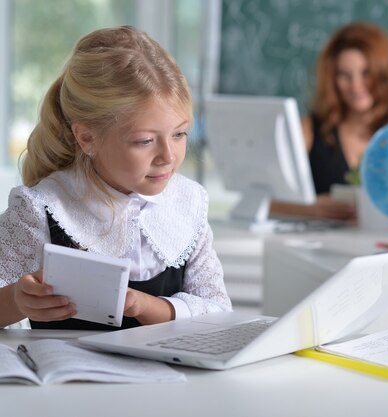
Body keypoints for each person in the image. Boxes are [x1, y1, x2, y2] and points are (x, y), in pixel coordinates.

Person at [0, 26, 231, 330]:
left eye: (179, 134)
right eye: (145, 141)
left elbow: (218, 311)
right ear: (86, 138)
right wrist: (17, 300)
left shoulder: (188, 204)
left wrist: (147, 306)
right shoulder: (41, 208)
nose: (168, 156)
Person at [271, 21, 388, 232]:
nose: (356, 86)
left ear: (384, 74)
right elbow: (265, 201)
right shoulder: (308, 130)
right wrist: (311, 208)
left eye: (365, 73)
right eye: (344, 75)